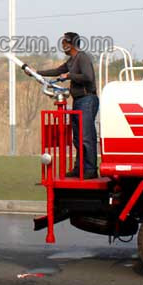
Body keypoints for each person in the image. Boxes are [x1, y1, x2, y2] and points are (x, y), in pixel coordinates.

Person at [22, 32, 99, 179]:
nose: (63, 44)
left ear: (73, 43)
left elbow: (88, 77)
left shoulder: (82, 57)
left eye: (65, 41)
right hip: (78, 100)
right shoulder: (71, 61)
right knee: (77, 137)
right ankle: (80, 167)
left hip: (87, 99)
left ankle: (90, 170)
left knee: (86, 137)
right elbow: (57, 71)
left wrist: (69, 76)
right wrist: (35, 72)